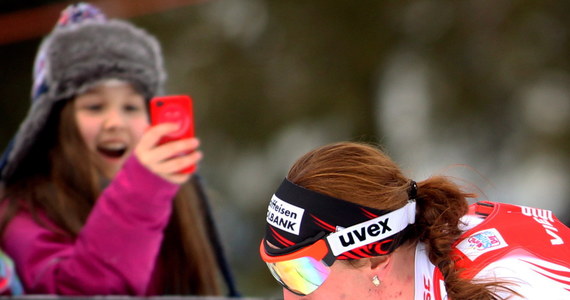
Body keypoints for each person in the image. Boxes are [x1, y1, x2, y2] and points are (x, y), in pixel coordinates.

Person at [0, 3, 238, 296]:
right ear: (52, 123)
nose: (115, 122)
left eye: (131, 106)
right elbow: (74, 292)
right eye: (94, 106)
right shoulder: (22, 210)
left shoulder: (173, 199)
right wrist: (141, 192)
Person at [259, 142, 570, 300]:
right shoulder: (430, 253)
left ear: (375, 258)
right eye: (278, 272)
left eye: (301, 274)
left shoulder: (507, 284)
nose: (289, 296)